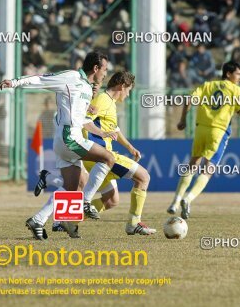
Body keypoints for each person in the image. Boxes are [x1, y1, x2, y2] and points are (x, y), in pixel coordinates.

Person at [0, 51, 116, 240]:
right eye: (104, 69)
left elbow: (83, 120)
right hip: (69, 136)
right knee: (108, 158)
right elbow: (41, 79)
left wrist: (101, 132)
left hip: (67, 138)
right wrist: (15, 82)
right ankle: (86, 202)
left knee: (74, 187)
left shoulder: (86, 86)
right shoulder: (71, 77)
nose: (105, 73)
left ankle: (39, 219)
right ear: (96, 68)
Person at [39, 71, 156, 237]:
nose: (128, 95)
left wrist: (130, 147)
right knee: (144, 177)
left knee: (111, 200)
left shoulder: (110, 102)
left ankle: (69, 220)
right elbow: (84, 119)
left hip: (97, 158)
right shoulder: (103, 100)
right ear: (122, 86)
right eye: (128, 90)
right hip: (102, 157)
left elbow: (114, 128)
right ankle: (133, 224)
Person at [167, 61, 240, 219]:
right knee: (208, 169)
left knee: (193, 164)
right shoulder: (236, 90)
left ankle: (175, 202)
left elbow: (188, 100)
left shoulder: (207, 85)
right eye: (238, 74)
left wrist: (182, 120)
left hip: (201, 129)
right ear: (228, 74)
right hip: (218, 132)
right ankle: (188, 198)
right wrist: (238, 108)